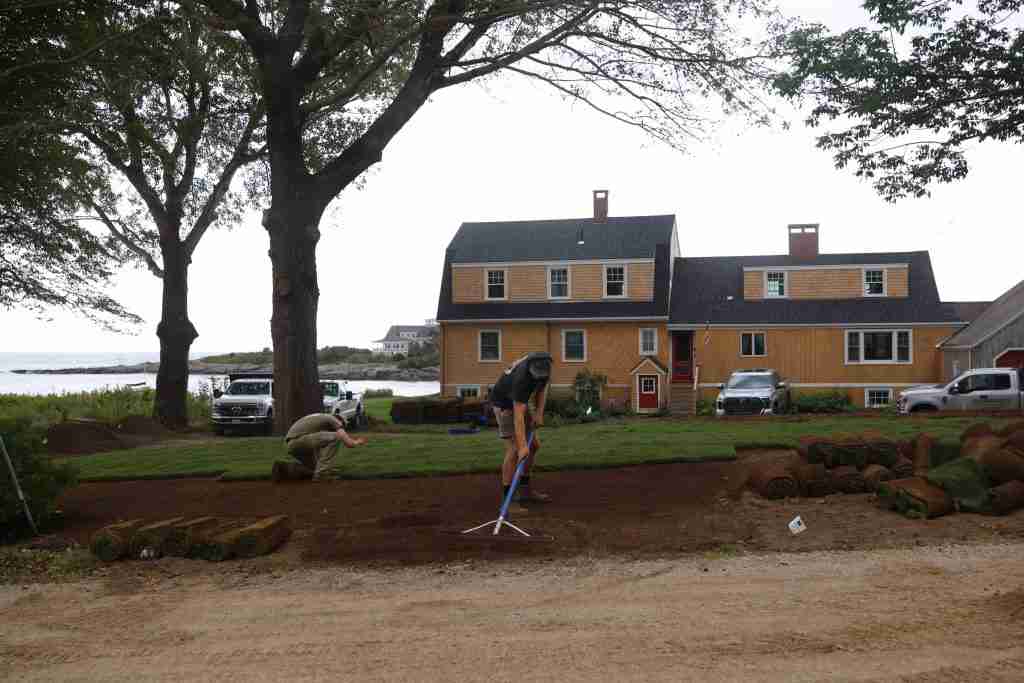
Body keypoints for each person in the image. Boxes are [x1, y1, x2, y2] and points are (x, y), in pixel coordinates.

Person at [488, 351, 552, 510]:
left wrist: (539, 413)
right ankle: (508, 501)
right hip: (504, 406)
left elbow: (542, 389)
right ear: (529, 366)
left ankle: (525, 491)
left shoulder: (545, 367)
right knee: (515, 450)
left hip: (518, 403)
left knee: (533, 446)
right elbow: (518, 415)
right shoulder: (521, 378)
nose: (539, 375)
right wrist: (522, 445)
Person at [280, 413, 367, 481]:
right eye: (343, 425)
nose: (342, 427)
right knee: (337, 437)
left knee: (315, 468)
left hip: (291, 444)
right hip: (298, 440)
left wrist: (328, 467)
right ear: (340, 420)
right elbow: (349, 443)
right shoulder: (332, 419)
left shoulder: (320, 419)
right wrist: (357, 442)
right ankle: (322, 474)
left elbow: (318, 444)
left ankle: (287, 470)